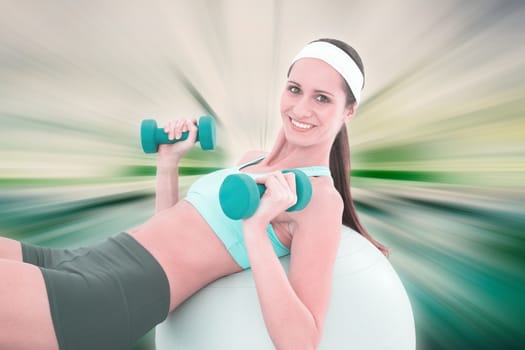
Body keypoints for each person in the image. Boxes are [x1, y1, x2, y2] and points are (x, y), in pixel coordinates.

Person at [0, 38, 387, 350]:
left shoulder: (318, 199)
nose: (301, 107)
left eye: (323, 98)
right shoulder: (250, 161)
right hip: (91, 257)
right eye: (295, 89)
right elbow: (172, 237)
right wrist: (169, 164)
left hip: (111, 295)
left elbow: (300, 341)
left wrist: (255, 229)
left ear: (349, 111)